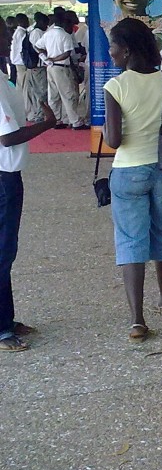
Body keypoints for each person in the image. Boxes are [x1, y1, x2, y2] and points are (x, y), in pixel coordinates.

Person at [102, 18, 162, 342]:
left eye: (112, 47)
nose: (110, 53)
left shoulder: (116, 86)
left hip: (129, 170)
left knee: (131, 241)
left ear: (126, 50)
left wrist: (110, 130)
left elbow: (114, 140)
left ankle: (137, 320)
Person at [0, 18, 58, 352]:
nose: (10, 40)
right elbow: (8, 137)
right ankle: (2, 327)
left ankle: (6, 317)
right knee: (3, 252)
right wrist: (46, 125)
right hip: (4, 178)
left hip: (9, 175)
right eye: (5, 36)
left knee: (6, 251)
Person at [40, 11, 87, 130]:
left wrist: (46, 58)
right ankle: (75, 121)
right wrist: (54, 59)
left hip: (50, 67)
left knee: (54, 95)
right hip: (61, 67)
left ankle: (56, 120)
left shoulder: (48, 33)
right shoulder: (64, 35)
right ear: (64, 23)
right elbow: (67, 53)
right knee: (68, 95)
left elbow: (37, 46)